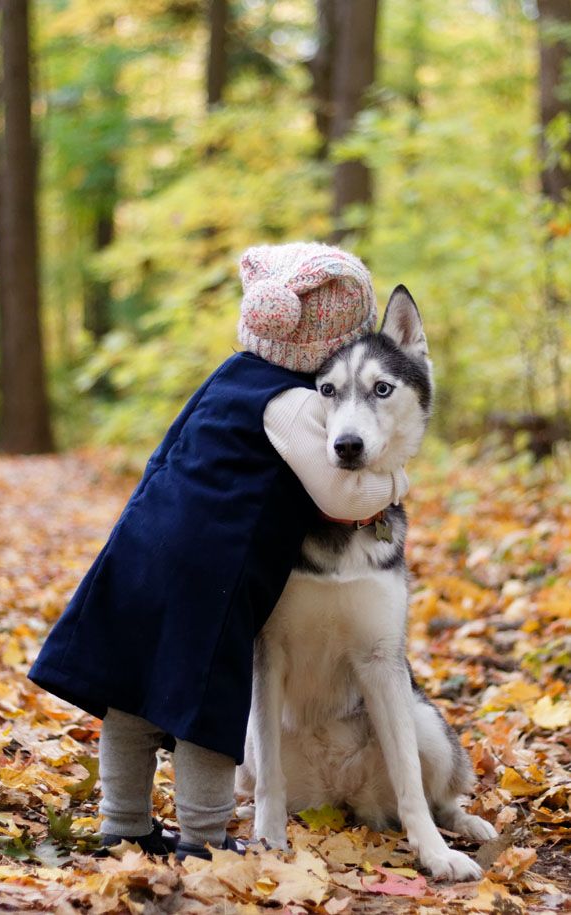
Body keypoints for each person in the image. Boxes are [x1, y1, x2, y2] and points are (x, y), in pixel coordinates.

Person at [28, 242, 409, 860]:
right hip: (210, 570)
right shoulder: (294, 404)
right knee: (205, 701)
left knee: (129, 696)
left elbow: (165, 452)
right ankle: (204, 839)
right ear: (331, 339)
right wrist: (395, 483)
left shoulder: (226, 376)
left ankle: (122, 824)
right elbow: (339, 497)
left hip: (139, 547)